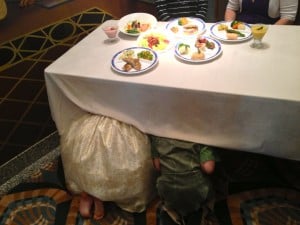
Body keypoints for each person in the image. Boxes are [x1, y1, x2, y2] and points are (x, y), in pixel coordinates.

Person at [150, 136, 218, 225]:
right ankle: (204, 214)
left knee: (166, 192)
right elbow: (209, 168)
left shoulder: (157, 136)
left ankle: (172, 213)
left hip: (169, 190)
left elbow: (157, 166)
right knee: (211, 190)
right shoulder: (201, 135)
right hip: (196, 190)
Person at [224, 0, 299, 25]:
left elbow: (288, 18)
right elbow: (231, 9)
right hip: (241, 32)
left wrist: (262, 34)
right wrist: (230, 27)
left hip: (270, 33)